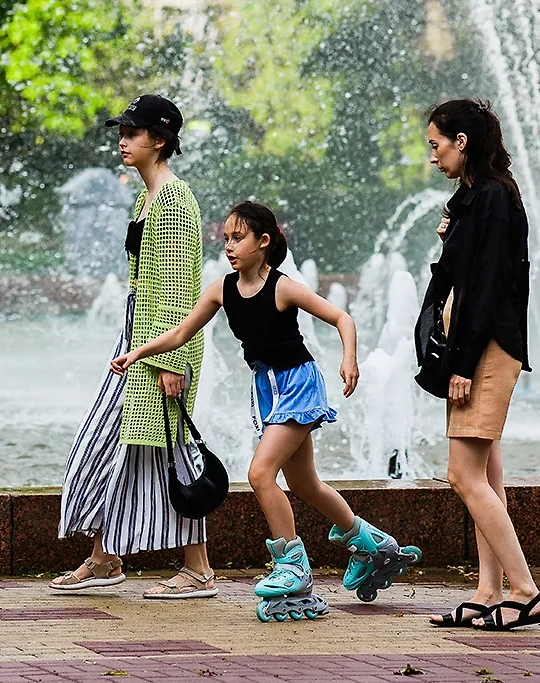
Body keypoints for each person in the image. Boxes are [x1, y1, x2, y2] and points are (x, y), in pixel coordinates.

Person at [111, 201, 421, 621]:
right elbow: (181, 332)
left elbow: (342, 318)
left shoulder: (283, 287)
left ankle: (292, 568)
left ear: (264, 241)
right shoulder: (221, 290)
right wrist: (137, 354)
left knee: (260, 473)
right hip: (267, 390)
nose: (230, 247)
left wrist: (349, 360)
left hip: (298, 384)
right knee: (305, 482)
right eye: (226, 239)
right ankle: (370, 544)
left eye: (239, 238)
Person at [51, 94, 217, 599]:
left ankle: (198, 569)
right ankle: (105, 558)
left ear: (160, 140)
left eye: (134, 132)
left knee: (162, 448)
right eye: (122, 130)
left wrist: (168, 362)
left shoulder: (171, 201)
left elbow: (173, 286)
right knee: (128, 448)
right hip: (141, 340)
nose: (123, 140)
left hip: (161, 348)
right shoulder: (150, 197)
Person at [418, 99, 540, 630]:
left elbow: (489, 287)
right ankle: (488, 591)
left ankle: (526, 592)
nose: (433, 156)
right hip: (475, 346)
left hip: (487, 348)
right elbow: (457, 273)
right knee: (486, 476)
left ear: (461, 141)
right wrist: (450, 234)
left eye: (436, 144)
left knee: (463, 475)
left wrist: (464, 365)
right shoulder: (474, 197)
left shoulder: (493, 197)